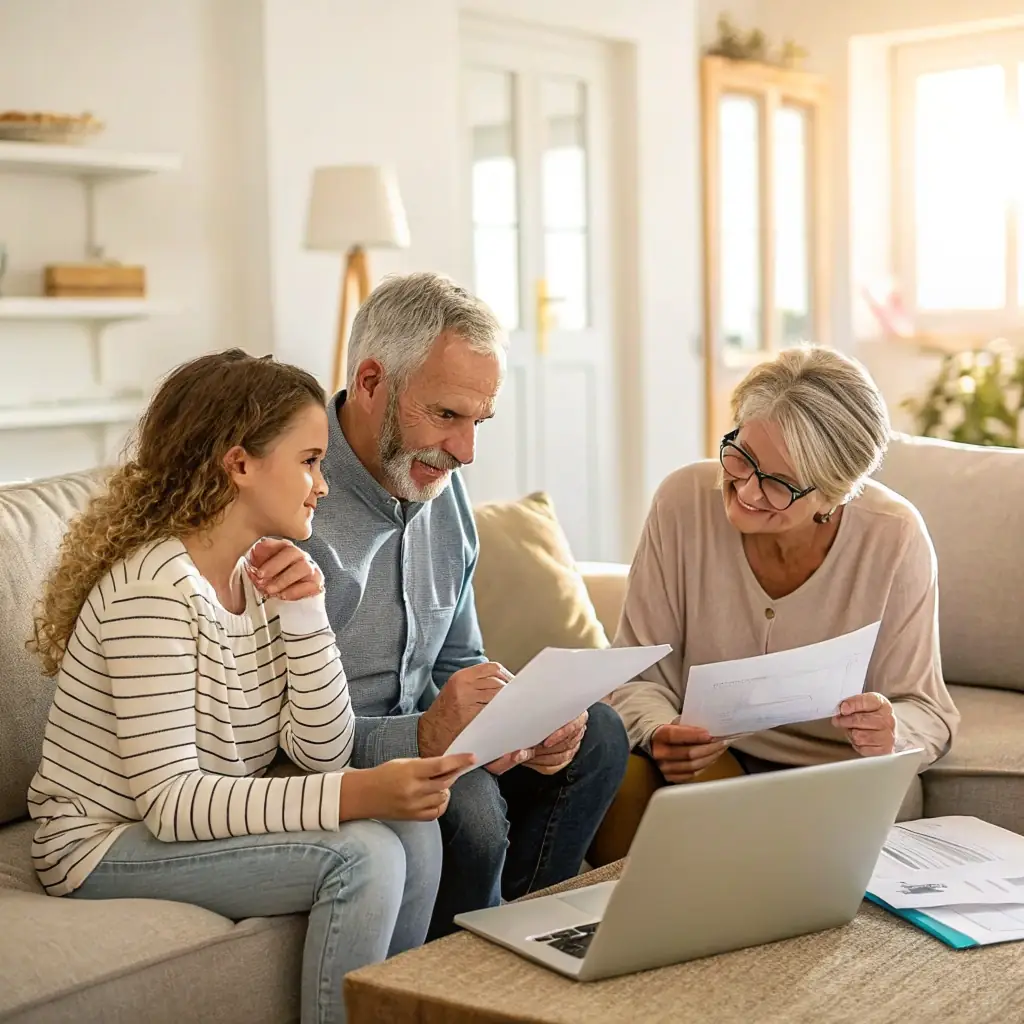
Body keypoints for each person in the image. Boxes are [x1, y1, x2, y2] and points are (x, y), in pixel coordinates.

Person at [27, 350, 472, 1024]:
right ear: (239, 465)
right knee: (366, 855)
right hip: (99, 845)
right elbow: (172, 804)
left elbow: (322, 751)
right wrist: (360, 791)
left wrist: (306, 612)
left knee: (414, 835)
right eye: (309, 461)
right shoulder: (154, 590)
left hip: (172, 821)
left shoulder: (258, 578)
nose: (322, 486)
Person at [288, 272, 629, 939]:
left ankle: (522, 946)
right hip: (341, 763)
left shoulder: (442, 490)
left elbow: (458, 657)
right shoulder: (293, 498)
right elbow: (284, 736)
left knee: (598, 735)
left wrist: (516, 723)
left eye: (479, 421)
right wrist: (429, 735)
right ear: (369, 382)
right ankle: (464, 980)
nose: (466, 452)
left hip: (436, 747)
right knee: (468, 804)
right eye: (448, 416)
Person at [608, 345, 959, 798]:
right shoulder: (682, 502)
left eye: (780, 483)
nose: (748, 490)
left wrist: (891, 728)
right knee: (622, 781)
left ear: (836, 495)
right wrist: (660, 731)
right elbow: (637, 672)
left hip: (839, 779)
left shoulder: (894, 536)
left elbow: (927, 711)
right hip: (711, 771)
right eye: (741, 455)